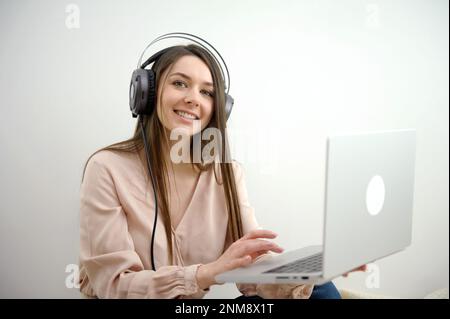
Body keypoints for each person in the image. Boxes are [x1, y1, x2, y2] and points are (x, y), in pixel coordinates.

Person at [78, 43, 363, 299]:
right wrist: (205, 274)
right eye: (179, 83)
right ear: (147, 93)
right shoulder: (106, 168)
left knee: (320, 291)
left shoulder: (225, 173)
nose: (193, 99)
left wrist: (305, 273)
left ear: (219, 108)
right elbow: (113, 286)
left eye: (207, 92)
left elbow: (251, 267)